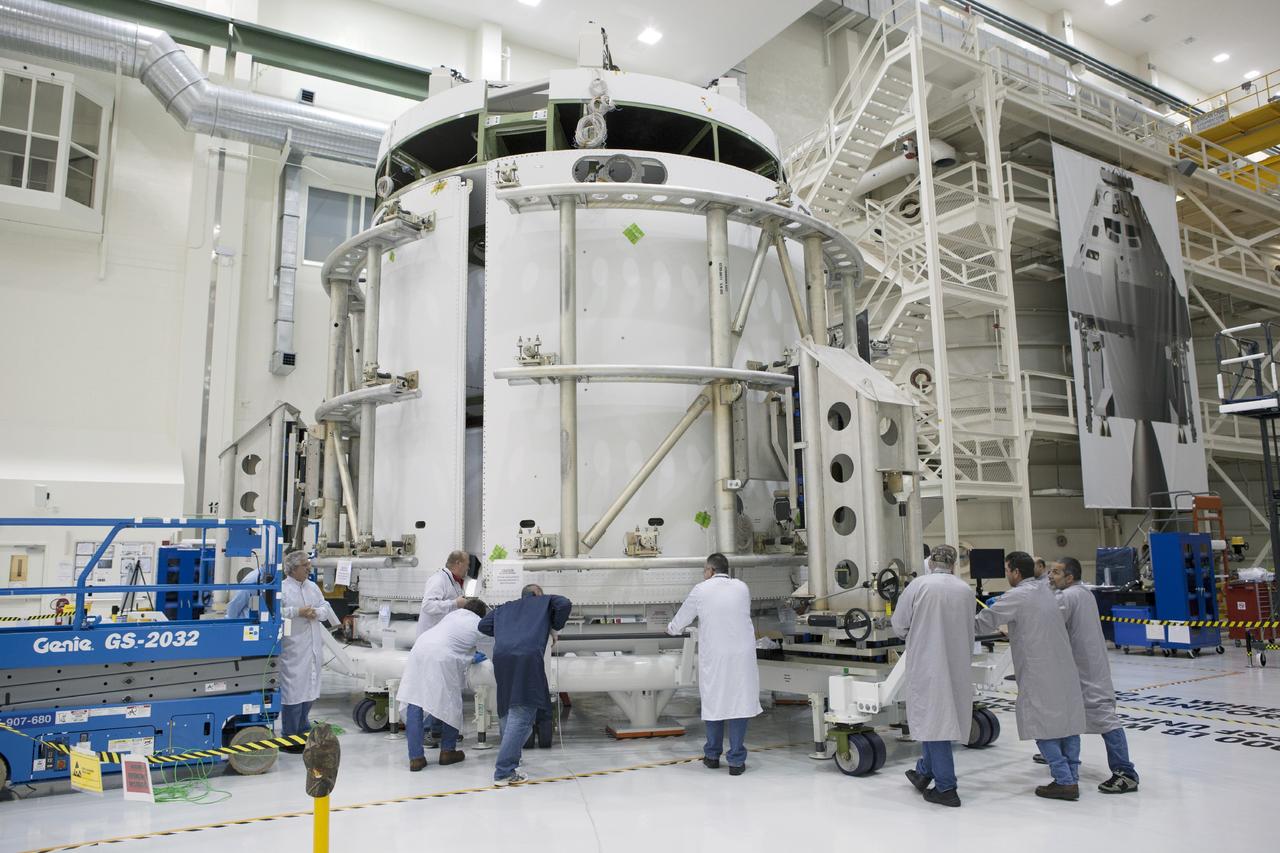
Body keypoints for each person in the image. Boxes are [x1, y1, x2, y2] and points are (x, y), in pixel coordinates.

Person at [975, 550, 1086, 800]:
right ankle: (1073, 776)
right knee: (1068, 723)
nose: (1006, 575)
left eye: (1007, 571)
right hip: (1063, 666)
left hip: (1039, 669)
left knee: (1041, 721)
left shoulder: (1017, 595)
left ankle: (1063, 780)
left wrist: (954, 625)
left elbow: (985, 621)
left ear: (1015, 572)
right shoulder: (1047, 590)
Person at [890, 544, 975, 808]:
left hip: (928, 662)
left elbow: (899, 624)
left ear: (931, 561)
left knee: (934, 721)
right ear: (953, 564)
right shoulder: (965, 589)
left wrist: (913, 634)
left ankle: (946, 788)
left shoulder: (919, 586)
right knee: (936, 719)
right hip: (957, 662)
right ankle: (924, 771)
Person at [667, 553, 762, 776]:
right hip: (741, 655)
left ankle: (712, 756)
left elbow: (682, 618)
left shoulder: (701, 589)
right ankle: (737, 762)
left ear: (710, 570)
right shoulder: (742, 588)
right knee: (739, 704)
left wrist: (671, 629)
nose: (704, 573)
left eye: (704, 570)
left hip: (717, 655)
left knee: (715, 702)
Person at [1051, 556, 1139, 793]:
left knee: (1104, 718)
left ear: (1069, 577)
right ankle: (1062, 757)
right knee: (1079, 714)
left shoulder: (1068, 596)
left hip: (1086, 669)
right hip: (1089, 664)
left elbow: (1047, 622)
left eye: (1056, 572)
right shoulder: (1083, 593)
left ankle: (1125, 773)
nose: (1051, 576)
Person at [478, 583, 572, 786]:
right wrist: (553, 623)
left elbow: (483, 626)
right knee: (522, 714)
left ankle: (514, 758)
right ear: (537, 594)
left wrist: (507, 632)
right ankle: (504, 771)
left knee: (506, 708)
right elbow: (564, 603)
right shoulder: (542, 603)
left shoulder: (504, 608)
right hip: (527, 657)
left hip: (501, 657)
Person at [398, 598, 489, 771]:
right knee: (451, 702)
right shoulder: (478, 623)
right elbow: (491, 640)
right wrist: (472, 657)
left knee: (415, 700)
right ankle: (448, 751)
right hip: (440, 658)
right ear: (481, 614)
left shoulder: (452, 615)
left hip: (419, 650)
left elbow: (453, 638)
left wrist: (468, 654)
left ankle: (415, 758)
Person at [278, 550, 339, 752]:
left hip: (312, 647)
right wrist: (298, 612)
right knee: (293, 692)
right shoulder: (283, 589)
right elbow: (277, 612)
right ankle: (289, 736)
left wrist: (317, 612)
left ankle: (304, 730)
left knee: (310, 690)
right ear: (293, 568)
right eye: (305, 565)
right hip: (293, 649)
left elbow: (325, 606)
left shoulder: (312, 587)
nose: (308, 568)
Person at [415, 551, 471, 744]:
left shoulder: (454, 582)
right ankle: (428, 730)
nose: (468, 568)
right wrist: (455, 603)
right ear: (457, 563)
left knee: (444, 688)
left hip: (444, 642)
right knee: (433, 688)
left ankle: (440, 729)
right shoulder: (438, 580)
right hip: (432, 643)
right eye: (466, 564)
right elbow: (428, 606)